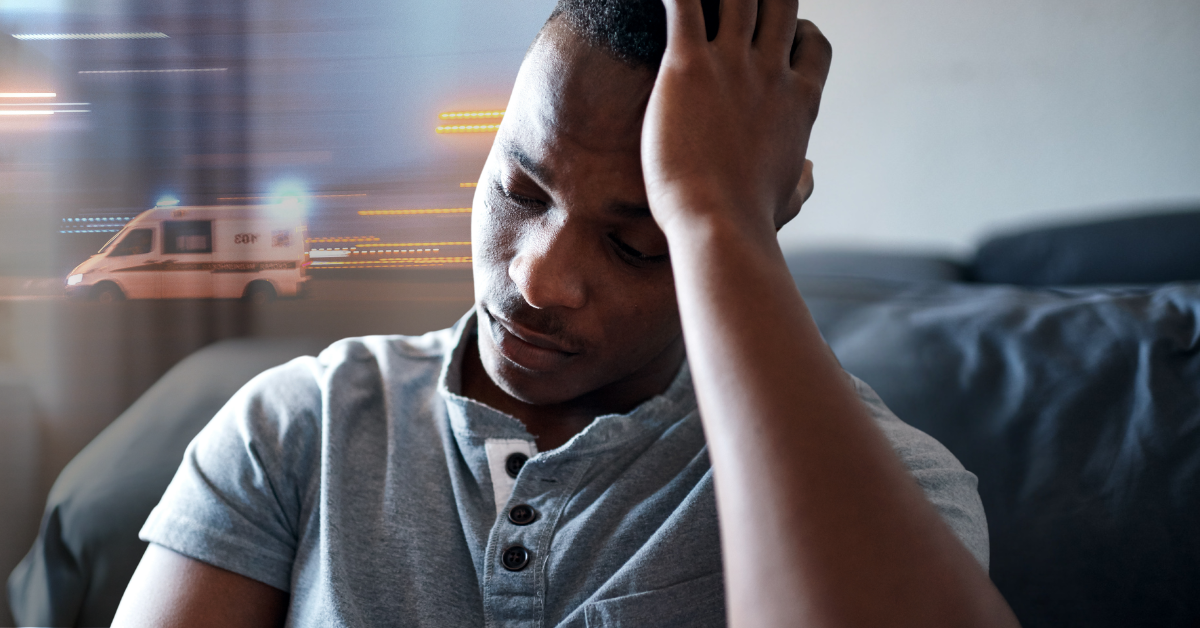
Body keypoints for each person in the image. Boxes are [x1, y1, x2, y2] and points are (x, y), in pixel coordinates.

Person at [113, 0, 1020, 625]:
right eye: (518, 186)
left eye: (640, 244)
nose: (538, 280)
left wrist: (716, 214)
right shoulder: (297, 428)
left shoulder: (897, 493)